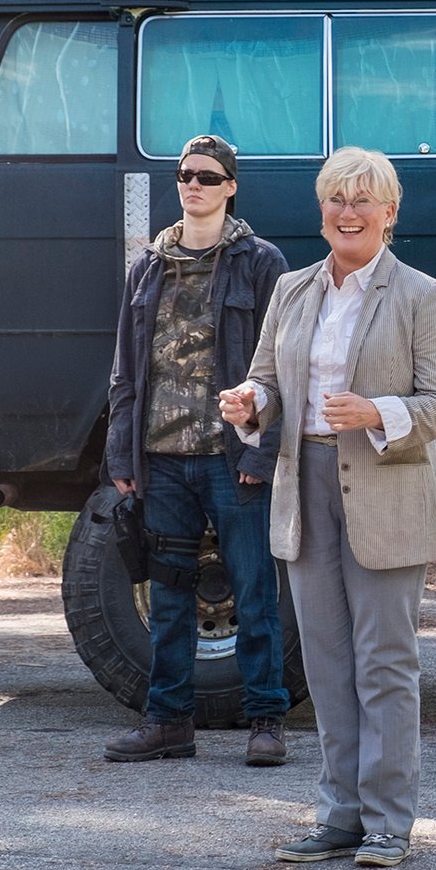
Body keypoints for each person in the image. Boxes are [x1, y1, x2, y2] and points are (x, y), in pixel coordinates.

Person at [219, 146, 436, 868]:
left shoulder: (422, 294)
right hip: (304, 488)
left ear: (390, 213)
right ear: (320, 210)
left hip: (386, 491)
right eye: (336, 199)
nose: (348, 212)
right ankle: (339, 817)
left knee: (384, 663)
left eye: (364, 201)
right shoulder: (292, 290)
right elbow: (267, 381)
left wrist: (374, 412)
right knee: (325, 663)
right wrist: (249, 402)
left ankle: (389, 825)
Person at [102, 135, 291, 767]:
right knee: (171, 598)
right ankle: (168, 723)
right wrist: (122, 460)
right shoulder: (147, 267)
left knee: (254, 589)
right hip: (161, 459)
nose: (194, 185)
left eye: (209, 177)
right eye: (186, 175)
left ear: (231, 185)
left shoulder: (259, 262)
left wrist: (258, 456)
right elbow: (126, 371)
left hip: (229, 458)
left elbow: (280, 370)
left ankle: (266, 719)